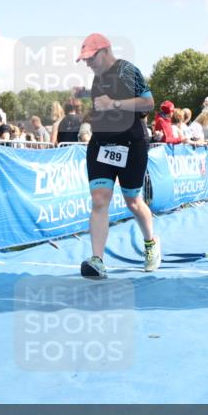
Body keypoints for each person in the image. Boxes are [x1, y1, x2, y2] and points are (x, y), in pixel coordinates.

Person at [75, 32, 160, 278]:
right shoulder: (98, 77)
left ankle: (151, 242)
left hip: (132, 144)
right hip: (102, 144)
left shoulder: (127, 70)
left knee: (133, 201)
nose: (88, 63)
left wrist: (114, 104)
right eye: (85, 59)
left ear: (105, 51)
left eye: (91, 58)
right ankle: (97, 260)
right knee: (99, 199)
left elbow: (148, 103)